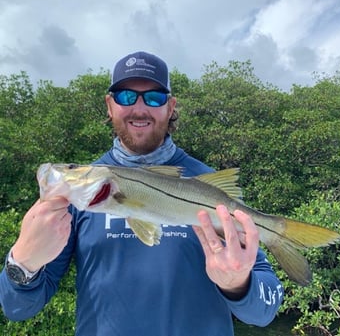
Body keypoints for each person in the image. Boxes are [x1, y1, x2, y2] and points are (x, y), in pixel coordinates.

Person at [0, 51, 283, 335]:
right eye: (125, 96)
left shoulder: (208, 184)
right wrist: (23, 262)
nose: (139, 108)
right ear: (109, 105)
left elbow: (264, 311)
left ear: (170, 107)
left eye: (154, 98)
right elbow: (18, 309)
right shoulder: (73, 199)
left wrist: (237, 284)